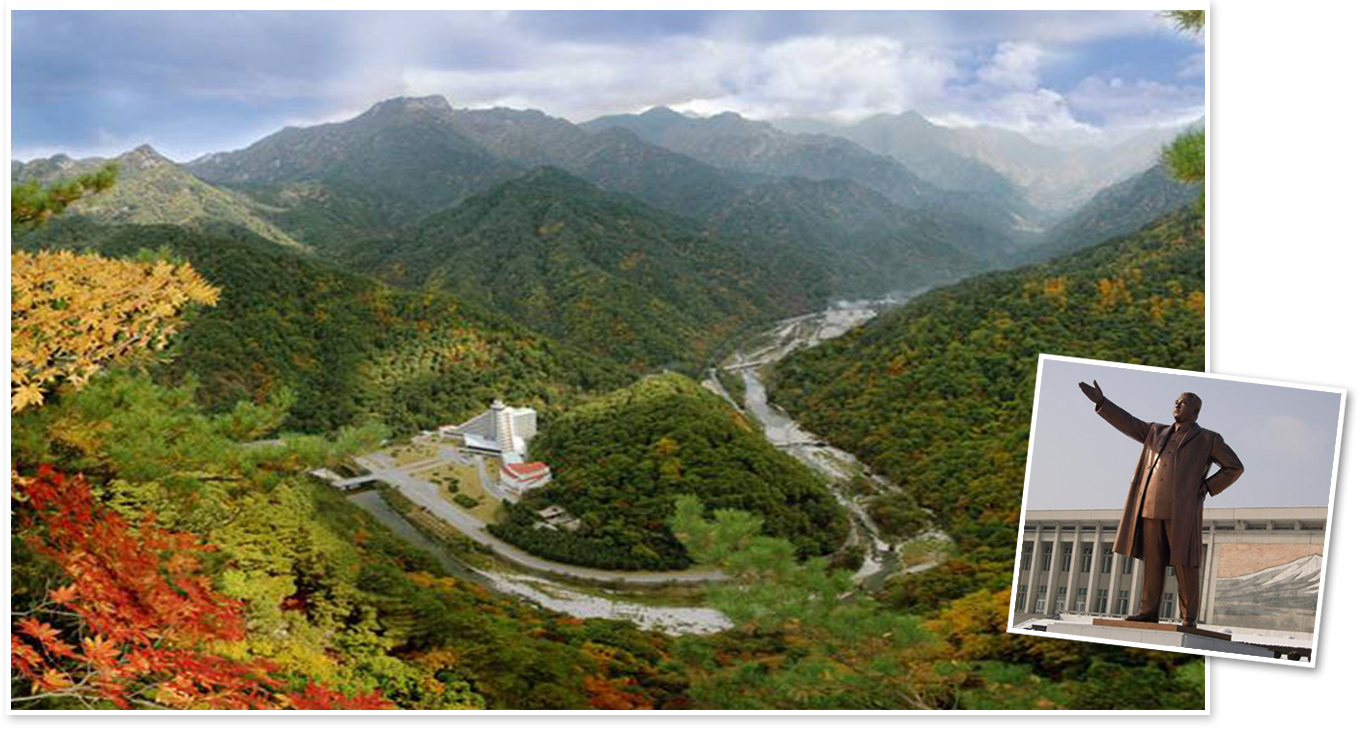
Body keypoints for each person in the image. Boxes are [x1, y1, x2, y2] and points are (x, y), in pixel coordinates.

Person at [1078, 380, 1244, 626]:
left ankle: (1189, 616)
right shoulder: (1156, 431)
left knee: (1184, 562)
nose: (1177, 405)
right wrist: (1102, 403)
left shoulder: (1208, 438)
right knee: (1152, 563)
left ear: (1195, 411)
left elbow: (1235, 467)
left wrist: (1206, 487)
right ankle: (1148, 611)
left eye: (1184, 402)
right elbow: (1129, 422)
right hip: (1149, 505)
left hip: (1182, 510)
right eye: (1176, 401)